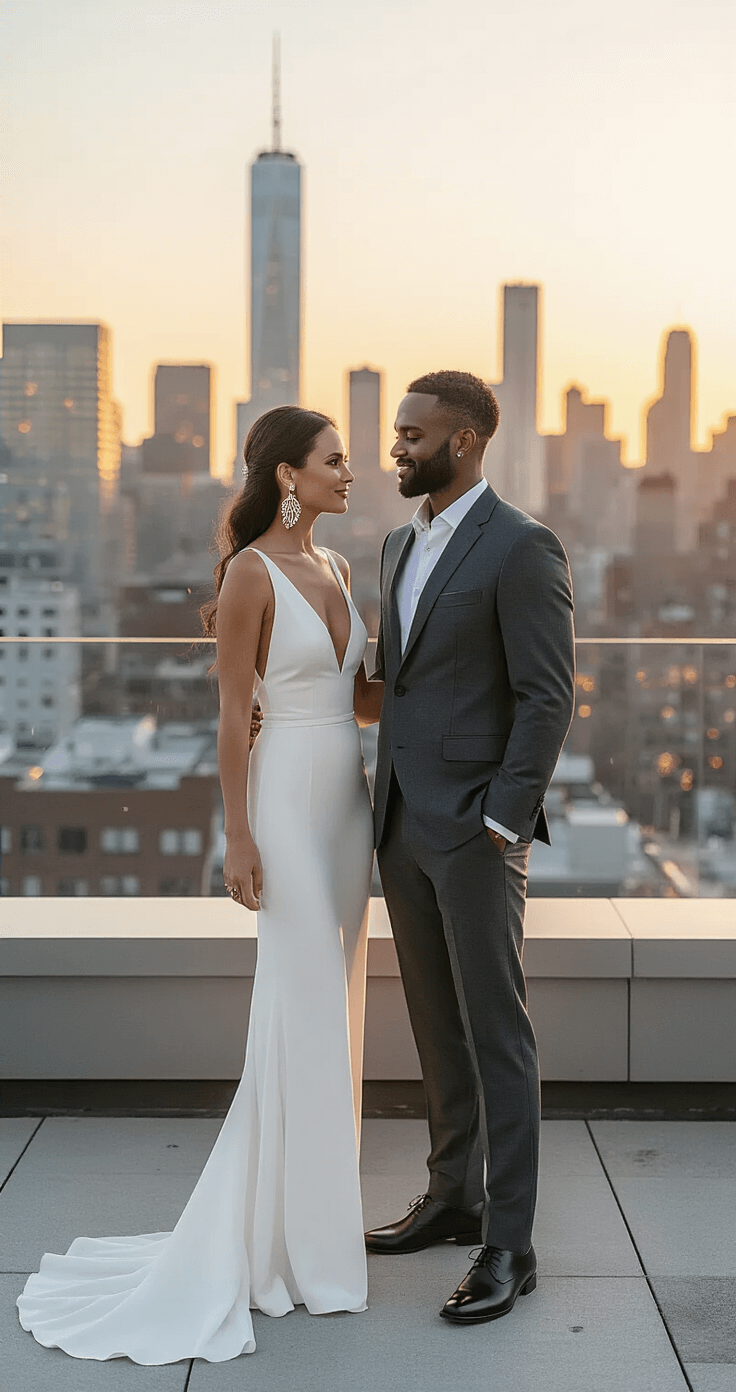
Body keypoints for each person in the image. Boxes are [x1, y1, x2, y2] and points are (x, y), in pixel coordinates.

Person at [17, 405, 383, 1364]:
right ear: (288, 477)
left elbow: (363, 697)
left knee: (335, 1009)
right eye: (334, 461)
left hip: (346, 803)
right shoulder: (250, 575)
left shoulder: (341, 568)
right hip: (286, 805)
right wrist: (240, 838)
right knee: (299, 1004)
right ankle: (286, 1249)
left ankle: (308, 1228)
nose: (351, 473)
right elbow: (232, 719)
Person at [364, 371, 575, 1325]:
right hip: (401, 821)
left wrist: (503, 818)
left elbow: (547, 695)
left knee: (499, 1033)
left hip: (477, 832)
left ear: (466, 440)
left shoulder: (523, 548)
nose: (396, 448)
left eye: (413, 434)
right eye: (396, 432)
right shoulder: (396, 543)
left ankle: (511, 1243)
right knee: (433, 1024)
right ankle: (454, 1198)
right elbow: (395, 684)